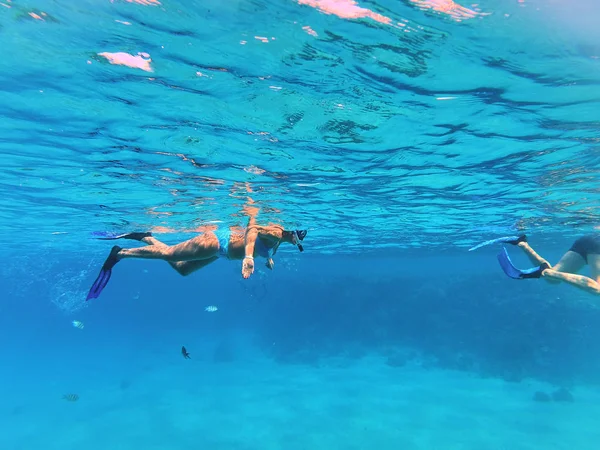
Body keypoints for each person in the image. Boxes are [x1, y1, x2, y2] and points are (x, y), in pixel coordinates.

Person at [86, 217, 307, 300]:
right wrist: (248, 256)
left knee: (183, 269)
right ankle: (120, 253)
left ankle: (146, 237)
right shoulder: (277, 232)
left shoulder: (280, 241)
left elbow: (265, 249)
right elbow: (252, 229)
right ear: (292, 232)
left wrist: (267, 259)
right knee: (170, 253)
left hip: (221, 252)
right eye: (299, 237)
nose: (298, 242)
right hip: (218, 242)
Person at [497, 234, 600, 295]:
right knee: (598, 288)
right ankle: (545, 272)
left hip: (590, 239)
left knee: (553, 280)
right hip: (596, 243)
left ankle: (522, 243)